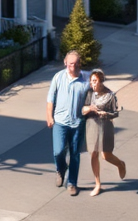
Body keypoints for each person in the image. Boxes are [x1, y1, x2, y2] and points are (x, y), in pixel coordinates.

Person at [46, 51, 90, 196]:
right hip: (60, 121)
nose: (73, 66)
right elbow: (50, 98)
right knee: (58, 151)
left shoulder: (86, 78)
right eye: (71, 63)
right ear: (65, 63)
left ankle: (72, 183)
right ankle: (61, 169)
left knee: (75, 154)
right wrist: (49, 116)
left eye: (76, 63)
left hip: (78, 123)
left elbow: (99, 84)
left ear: (80, 63)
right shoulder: (58, 77)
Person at [81, 68, 126, 196]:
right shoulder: (89, 93)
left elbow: (115, 113)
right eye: (91, 81)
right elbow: (82, 110)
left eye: (95, 81)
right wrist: (89, 108)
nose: (93, 84)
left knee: (106, 155)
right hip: (92, 125)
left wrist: (106, 114)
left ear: (101, 82)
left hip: (106, 125)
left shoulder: (110, 95)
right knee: (94, 154)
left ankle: (120, 164)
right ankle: (97, 184)